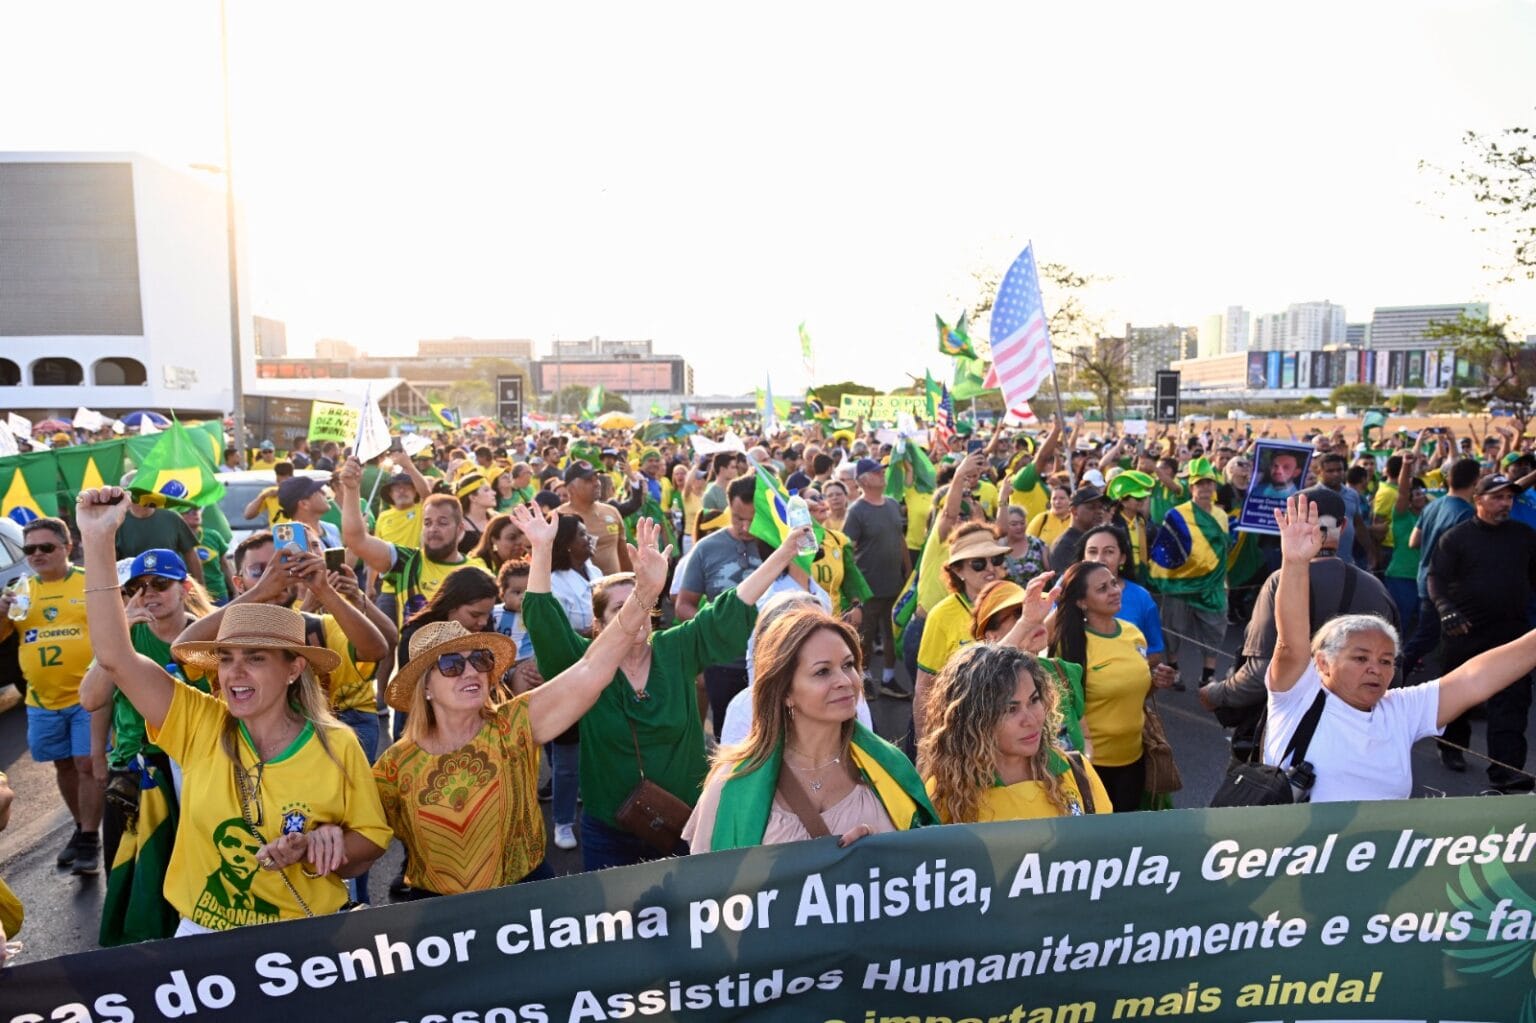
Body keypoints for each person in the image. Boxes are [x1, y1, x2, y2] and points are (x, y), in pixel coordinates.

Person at [76, 486, 390, 933]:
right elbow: (115, 657)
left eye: (256, 658)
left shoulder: (335, 742)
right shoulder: (198, 722)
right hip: (204, 938)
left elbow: (371, 844)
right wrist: (98, 538)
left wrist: (326, 844)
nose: (234, 673)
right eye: (226, 658)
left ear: (292, 668)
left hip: (307, 940)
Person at [373, 519, 670, 895]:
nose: (470, 671)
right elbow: (364, 846)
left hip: (529, 908)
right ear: (425, 688)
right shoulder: (393, 767)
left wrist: (644, 594)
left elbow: (593, 668)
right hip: (441, 929)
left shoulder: (513, 724)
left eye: (480, 660)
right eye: (451, 665)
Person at [520, 506, 812, 871]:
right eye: (619, 610)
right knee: (615, 925)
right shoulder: (586, 663)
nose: (635, 616)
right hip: (609, 832)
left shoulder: (676, 648)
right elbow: (545, 624)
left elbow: (732, 604)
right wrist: (542, 548)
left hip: (683, 822)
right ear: (598, 624)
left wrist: (785, 550)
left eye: (642, 604)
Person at [1265, 493, 1536, 802]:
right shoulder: (1298, 695)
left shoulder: (1400, 709)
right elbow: (1290, 644)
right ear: (1323, 663)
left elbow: (1476, 678)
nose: (1375, 669)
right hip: (1298, 849)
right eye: (1360, 657)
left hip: (1377, 849)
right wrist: (1295, 563)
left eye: (1386, 661)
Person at [683, 608, 939, 852]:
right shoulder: (731, 784)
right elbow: (708, 889)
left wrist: (879, 858)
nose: (845, 681)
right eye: (822, 672)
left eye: (848, 665)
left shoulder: (891, 767)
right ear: (785, 692)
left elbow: (929, 870)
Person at [1198, 485, 1397, 766]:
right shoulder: (1376, 588)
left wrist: (1216, 693)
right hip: (1357, 735)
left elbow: (1260, 673)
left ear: (1289, 525)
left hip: (1288, 736)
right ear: (1343, 525)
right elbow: (1392, 674)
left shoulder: (1280, 583)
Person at [80, 550, 213, 944]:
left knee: (188, 867)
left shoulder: (207, 634)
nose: (148, 594)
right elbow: (93, 700)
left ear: (184, 588)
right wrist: (98, 755)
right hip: (136, 770)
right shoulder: (126, 636)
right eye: (137, 588)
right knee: (128, 870)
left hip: (195, 768)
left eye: (160, 584)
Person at [0, 517, 103, 874]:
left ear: (67, 546)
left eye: (46, 547)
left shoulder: (89, 583)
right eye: (30, 549)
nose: (38, 554)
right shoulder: (21, 589)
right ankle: (80, 827)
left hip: (86, 697)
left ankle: (90, 838)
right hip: (42, 700)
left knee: (87, 765)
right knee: (63, 766)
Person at [1426, 473, 1536, 787]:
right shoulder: (1457, 537)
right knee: (1458, 697)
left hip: (1511, 632)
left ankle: (1507, 770)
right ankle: (1452, 748)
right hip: (1465, 631)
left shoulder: (1524, 536)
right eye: (1498, 497)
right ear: (1479, 500)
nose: (1505, 503)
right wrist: (1445, 609)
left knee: (1512, 702)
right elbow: (1436, 579)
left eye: (1509, 498)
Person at [920, 644, 1110, 823]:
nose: (1031, 720)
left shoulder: (1076, 771)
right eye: (1011, 709)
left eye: (1034, 700)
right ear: (974, 720)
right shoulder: (946, 793)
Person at [1050, 560, 1176, 812]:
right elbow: (1064, 712)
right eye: (1102, 589)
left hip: (1135, 758)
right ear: (1082, 602)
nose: (1114, 591)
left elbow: (1138, 693)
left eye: (1114, 584)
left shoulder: (1133, 634)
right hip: (1091, 766)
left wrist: (1156, 682)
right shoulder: (1070, 645)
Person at [676, 475, 764, 737]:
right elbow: (683, 606)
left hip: (771, 661)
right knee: (729, 736)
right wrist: (717, 626)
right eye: (738, 518)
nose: (746, 527)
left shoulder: (776, 546)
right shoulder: (706, 548)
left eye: (752, 519)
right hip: (724, 663)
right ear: (728, 508)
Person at [913, 523, 1010, 739]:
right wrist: (925, 747)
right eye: (978, 563)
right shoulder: (941, 615)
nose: (990, 568)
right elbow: (925, 688)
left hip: (1012, 730)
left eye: (996, 560)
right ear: (958, 570)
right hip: (962, 734)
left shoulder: (1017, 603)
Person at [1148, 456, 1229, 690]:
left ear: (1214, 486)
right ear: (1191, 487)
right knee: (1173, 629)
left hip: (1211, 586)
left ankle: (1208, 675)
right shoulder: (1177, 514)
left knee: (1214, 630)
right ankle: (1174, 669)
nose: (1204, 488)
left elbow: (1222, 553)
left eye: (1208, 483)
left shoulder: (1221, 516)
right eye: (1199, 484)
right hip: (1179, 585)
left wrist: (1225, 581)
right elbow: (1165, 551)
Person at [1401, 457, 1479, 674]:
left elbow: (1413, 541)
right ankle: (1394, 677)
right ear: (1475, 481)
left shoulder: (1432, 504)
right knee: (1426, 638)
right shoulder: (1466, 513)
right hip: (1446, 586)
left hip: (1424, 579)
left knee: (1435, 638)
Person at [843, 457, 912, 700]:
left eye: (881, 470)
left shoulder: (893, 504)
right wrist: (853, 590)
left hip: (894, 584)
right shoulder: (856, 511)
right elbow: (847, 551)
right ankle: (864, 680)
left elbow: (900, 539)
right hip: (868, 589)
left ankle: (889, 679)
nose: (882, 474)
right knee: (866, 638)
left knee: (893, 633)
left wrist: (908, 568)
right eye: (876, 472)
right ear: (862, 480)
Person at [557, 460, 632, 576]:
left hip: (614, 589)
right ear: (571, 488)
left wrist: (630, 582)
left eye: (596, 478)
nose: (597, 483)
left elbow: (623, 555)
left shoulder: (611, 512)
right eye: (588, 480)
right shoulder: (558, 518)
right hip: (575, 591)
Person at [115, 495, 205, 586]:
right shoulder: (117, 521)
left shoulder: (171, 518)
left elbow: (190, 554)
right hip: (134, 587)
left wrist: (200, 587)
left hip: (169, 585)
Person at [1048, 485, 1108, 575]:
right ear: (1074, 511)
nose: (1099, 511)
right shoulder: (1065, 546)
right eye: (1091, 507)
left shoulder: (1094, 538)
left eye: (1100, 507)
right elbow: (1067, 585)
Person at [998, 504, 1050, 588]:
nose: (1019, 527)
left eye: (1022, 523)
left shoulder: (1037, 544)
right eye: (1014, 524)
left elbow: (1050, 572)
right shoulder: (999, 549)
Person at [471, 512, 528, 578]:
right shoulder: (477, 566)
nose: (519, 542)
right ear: (494, 540)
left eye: (522, 536)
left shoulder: (527, 563)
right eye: (512, 538)